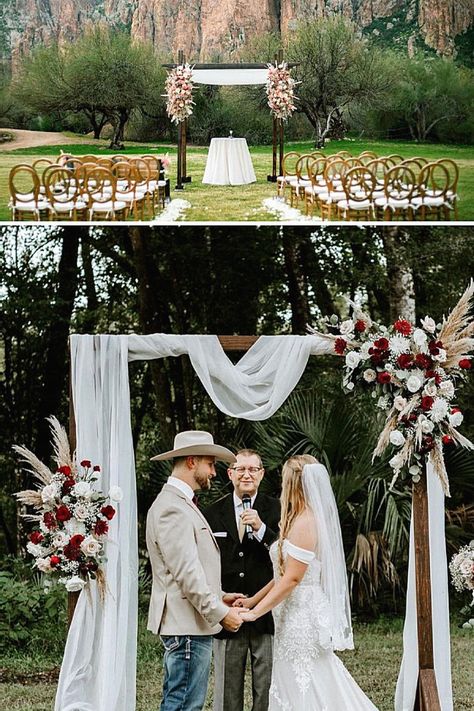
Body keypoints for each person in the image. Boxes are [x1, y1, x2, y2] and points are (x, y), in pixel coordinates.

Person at [237, 454, 379, 711]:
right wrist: (252, 601)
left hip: (301, 618)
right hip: (289, 616)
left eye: (284, 480)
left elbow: (292, 579)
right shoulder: (296, 518)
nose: (282, 487)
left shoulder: (306, 522)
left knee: (307, 681)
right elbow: (282, 573)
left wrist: (256, 614)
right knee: (293, 680)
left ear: (294, 483)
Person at [146, 430, 247, 711]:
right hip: (186, 625)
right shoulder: (171, 509)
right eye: (210, 464)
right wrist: (220, 613)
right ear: (192, 461)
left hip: (191, 623)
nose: (214, 472)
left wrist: (220, 595)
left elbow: (191, 567)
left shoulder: (180, 504)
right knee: (183, 704)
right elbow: (186, 574)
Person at [204, 449, 280, 711]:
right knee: (227, 691)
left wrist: (261, 530)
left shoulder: (278, 509)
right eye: (240, 469)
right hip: (228, 612)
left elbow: (287, 556)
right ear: (230, 474)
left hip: (267, 612)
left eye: (252, 469)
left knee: (267, 689)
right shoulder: (212, 512)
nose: (246, 474)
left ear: (261, 474)